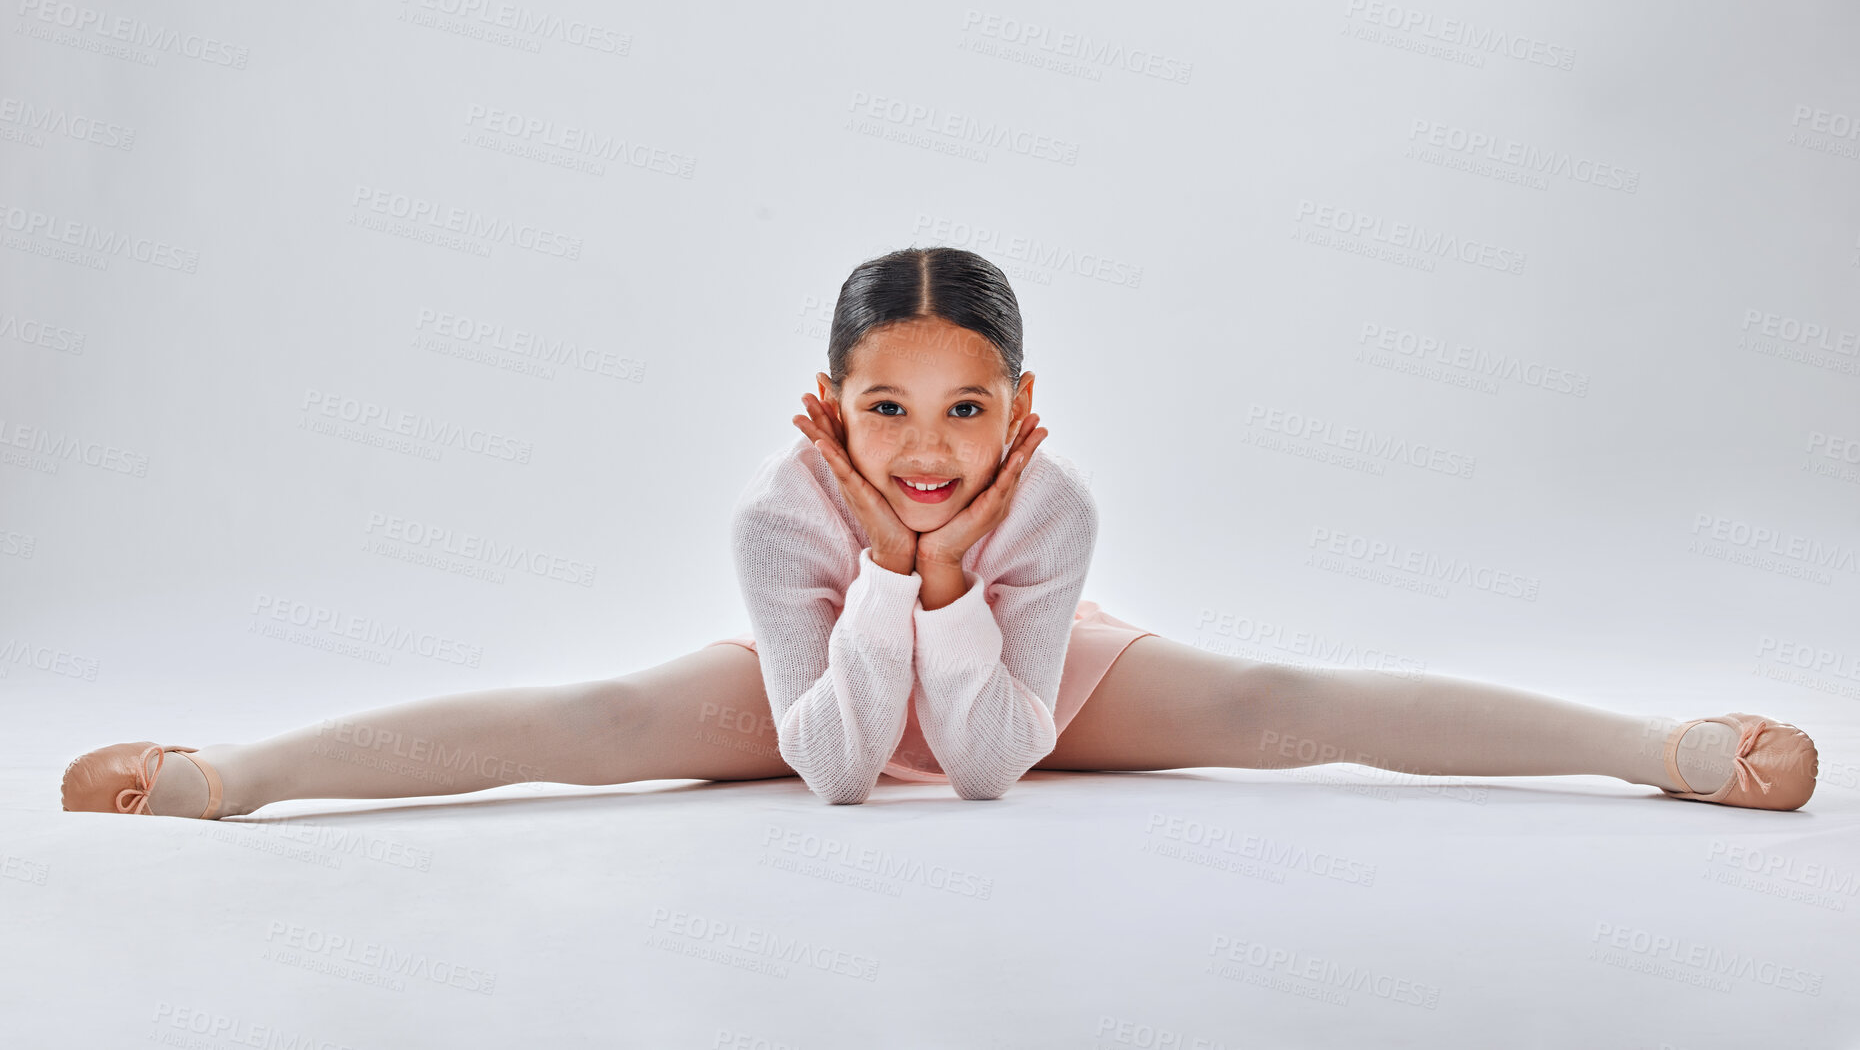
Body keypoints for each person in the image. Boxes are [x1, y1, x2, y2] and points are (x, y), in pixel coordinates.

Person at [60, 247, 1818, 818]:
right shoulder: (778, 519)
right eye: (885, 411)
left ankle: (1652, 747)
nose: (925, 448)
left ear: (1023, 414)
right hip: (821, 672)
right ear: (826, 411)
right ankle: (234, 778)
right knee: (588, 728)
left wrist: (958, 582)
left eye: (965, 411)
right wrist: (885, 590)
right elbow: (837, 768)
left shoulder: (1050, 510)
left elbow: (985, 765)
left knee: (1295, 700)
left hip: (1026, 673)